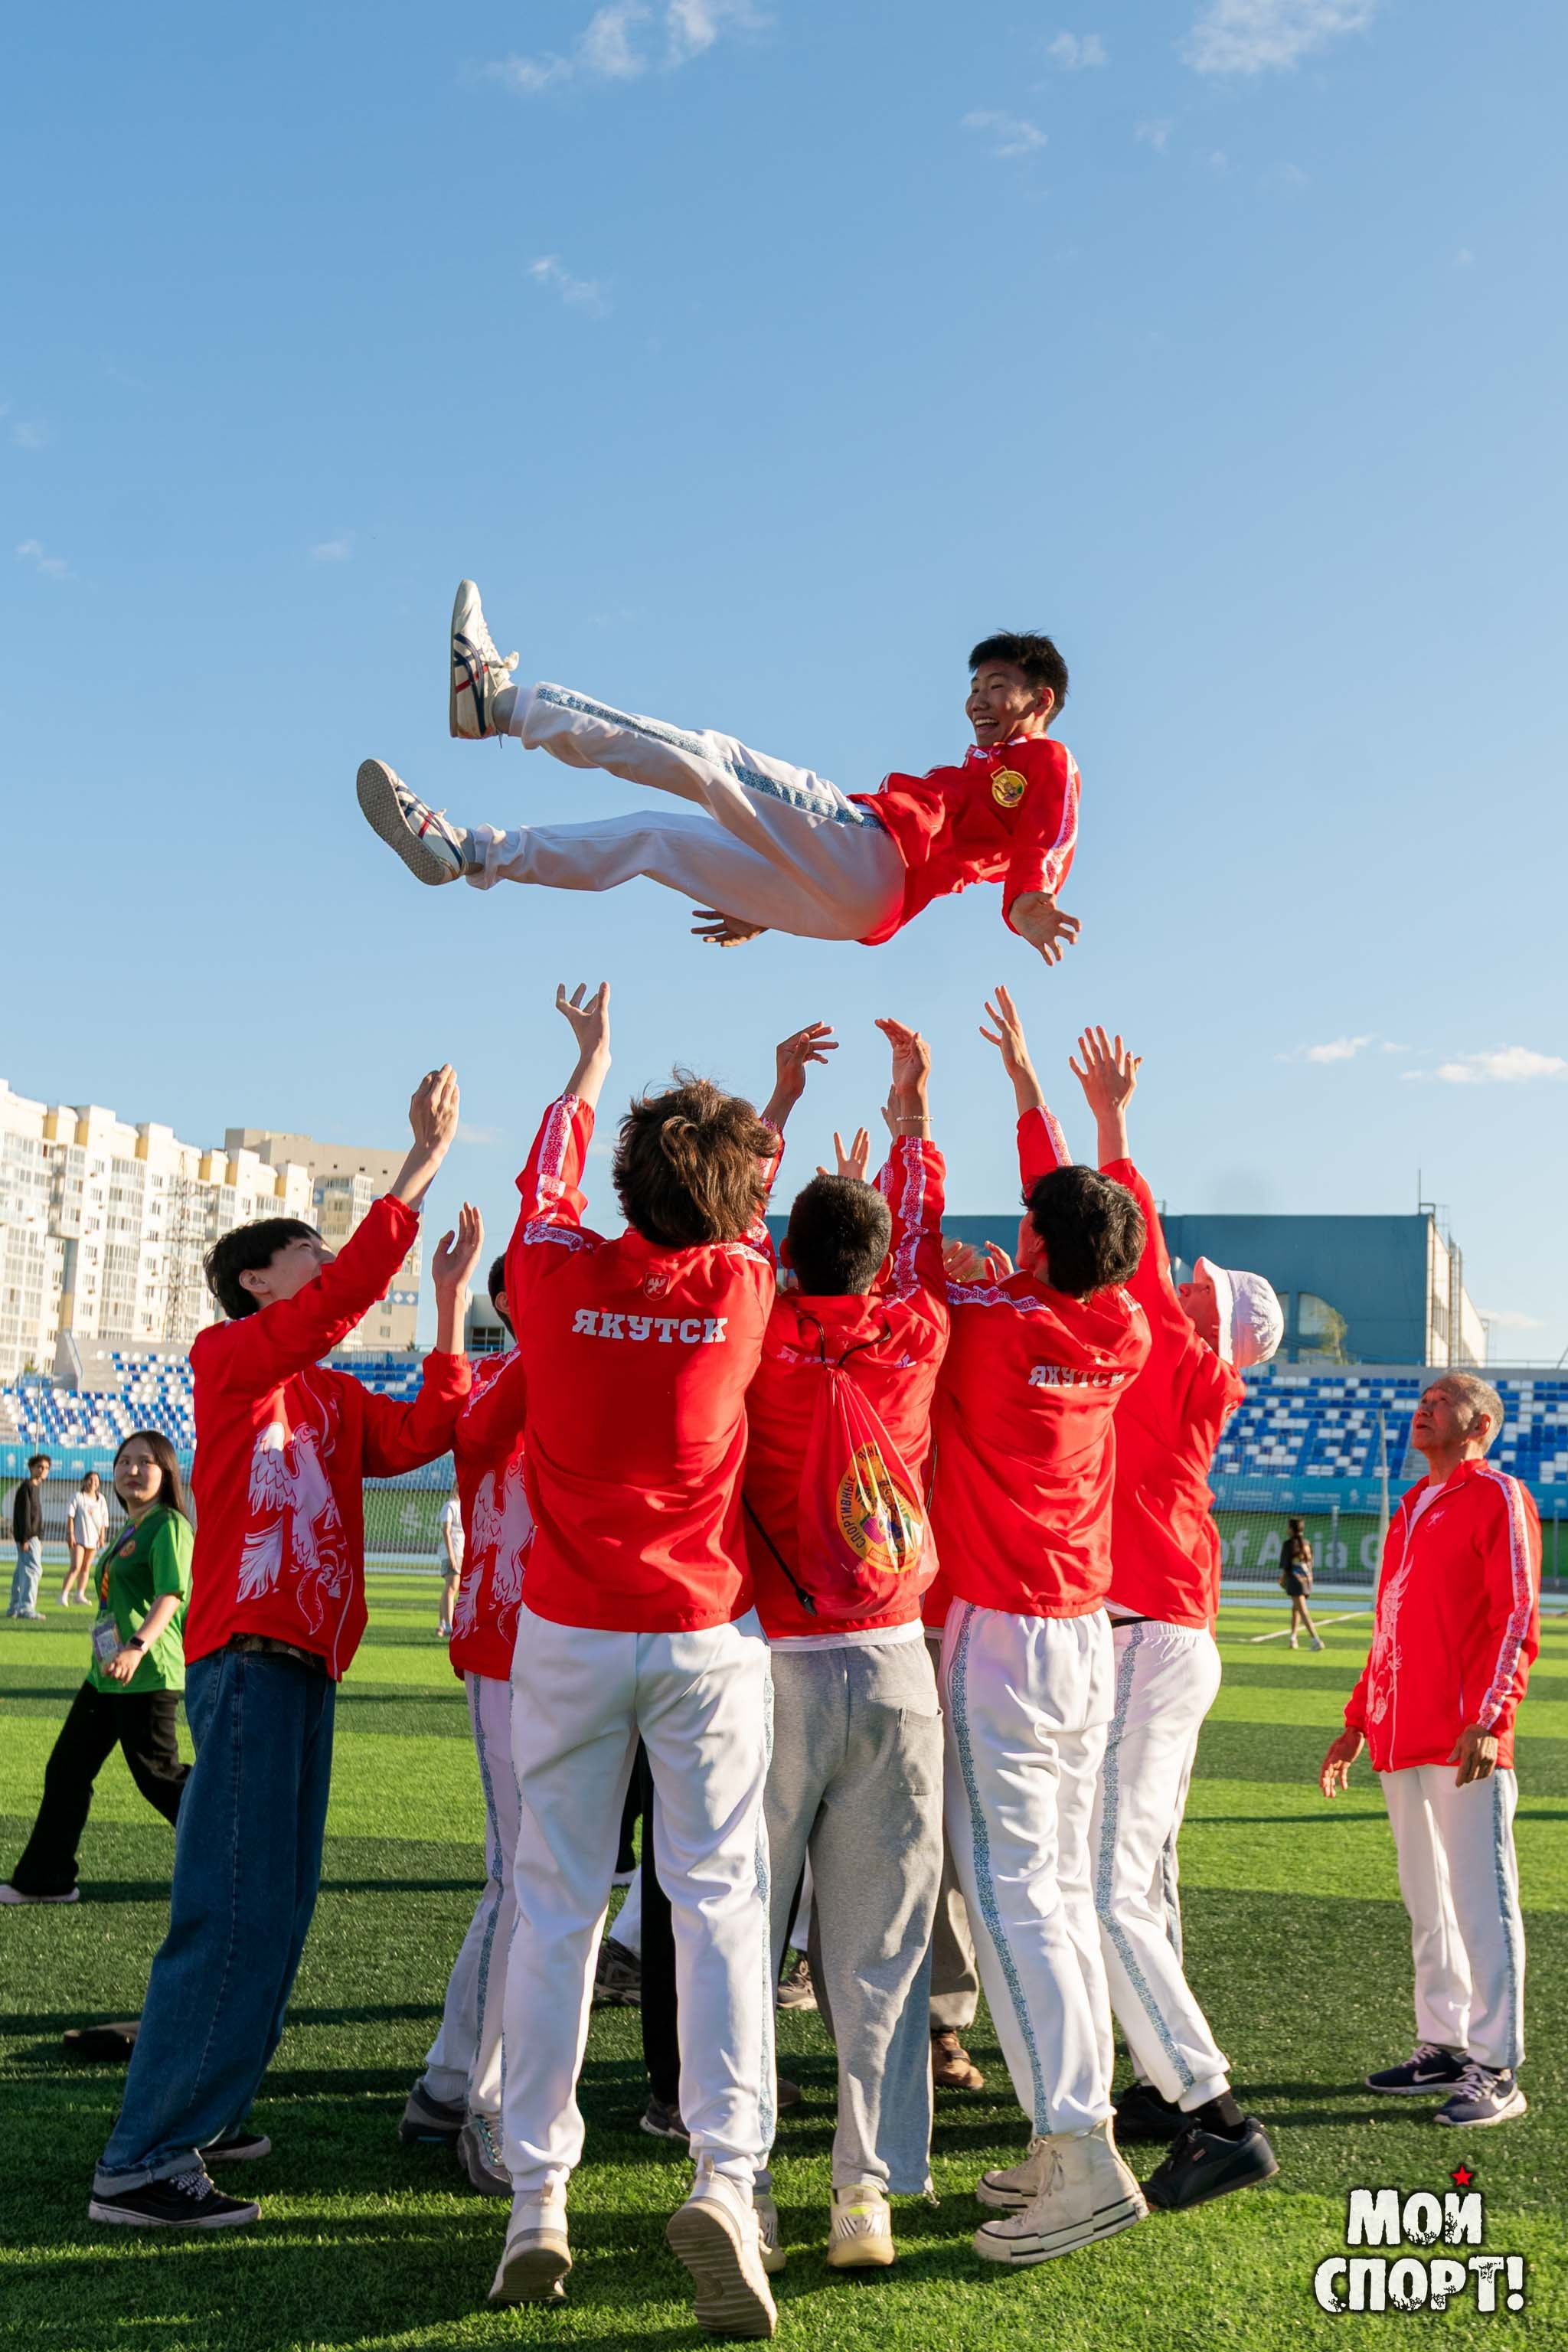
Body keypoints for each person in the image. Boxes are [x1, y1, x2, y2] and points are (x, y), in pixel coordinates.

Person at [88, 1069, 480, 2231]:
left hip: (305, 1666)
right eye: (308, 1249)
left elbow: (422, 1435)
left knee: (282, 1902)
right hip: (249, 1659)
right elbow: (336, 1306)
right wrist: (413, 1169)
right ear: (255, 1281)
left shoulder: (324, 1394)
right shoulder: (233, 1363)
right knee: (236, 1904)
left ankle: (206, 2112)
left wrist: (453, 1309)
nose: (326, 1263)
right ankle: (145, 2158)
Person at [486, 982, 782, 2339]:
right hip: (701, 1637)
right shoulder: (743, 1289)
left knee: (553, 1908)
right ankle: (727, 2176)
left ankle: (536, 2194)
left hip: (567, 1630)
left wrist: (589, 1060)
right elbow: (749, 1194)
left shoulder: (545, 1276)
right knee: (717, 1906)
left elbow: (543, 1172)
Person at [930, 990, 1152, 2268]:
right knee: (1057, 1893)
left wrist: (945, 1119)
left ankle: (1076, 2145)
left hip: (1003, 1636)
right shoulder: (1116, 1319)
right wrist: (1028, 1089)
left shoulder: (993, 1327)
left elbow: (910, 1266)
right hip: (1082, 1634)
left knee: (1012, 1901)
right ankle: (1068, 2130)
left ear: (1030, 1242)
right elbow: (1075, 1211)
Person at [1048, 1021, 1282, 2212]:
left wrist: (1111, 1128)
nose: (1183, 1282)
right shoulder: (1178, 1363)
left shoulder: (1194, 1369)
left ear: (1226, 1332)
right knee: (1124, 1874)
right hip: (1136, 1636)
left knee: (1104, 1881)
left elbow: (1136, 1256)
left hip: (1149, 1638)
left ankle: (1214, 2113)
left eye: (1204, 1292)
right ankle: (1153, 2081)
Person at [356, 583, 1083, 963]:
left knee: (713, 763)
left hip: (876, 851)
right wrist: (766, 897)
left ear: (1040, 700)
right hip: (854, 907)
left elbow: (1044, 838)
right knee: (654, 839)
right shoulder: (981, 768)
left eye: (997, 687)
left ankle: (503, 704)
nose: (979, 701)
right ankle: (471, 853)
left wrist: (1030, 903)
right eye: (976, 687)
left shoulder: (1042, 759)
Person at [744, 1017, 949, 2274]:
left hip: (767, 1661)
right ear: (877, 1264)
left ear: (785, 1253)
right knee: (877, 1949)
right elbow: (916, 1235)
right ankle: (862, 2192)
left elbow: (723, 1232)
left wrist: (774, 1100)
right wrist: (912, 1115)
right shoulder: (918, 1331)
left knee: (744, 1936)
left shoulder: (752, 1327)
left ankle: (745, 2182)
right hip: (893, 1659)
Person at [1320, 1373, 1540, 2129]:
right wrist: (1356, 1720)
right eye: (1423, 1398)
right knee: (1428, 1905)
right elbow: (1387, 1625)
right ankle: (1443, 2046)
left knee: (1481, 1902)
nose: (1424, 1406)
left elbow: (1515, 1614)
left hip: (1463, 1737)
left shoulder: (1497, 1496)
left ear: (1477, 1423)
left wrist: (1489, 1716)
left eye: (1441, 1400)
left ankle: (1496, 2064)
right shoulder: (1410, 1507)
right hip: (1397, 1735)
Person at [402, 1252, 536, 2195]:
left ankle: (453, 2082)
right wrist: (448, 1304)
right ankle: (480, 2099)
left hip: (570, 1654)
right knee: (522, 1881)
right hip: (508, 1651)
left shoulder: (590, 1372)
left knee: (534, 1883)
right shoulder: (506, 1387)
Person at [2, 1433, 192, 1906]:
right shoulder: (132, 1526)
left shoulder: (167, 1524)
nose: (131, 1470)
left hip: (145, 1671)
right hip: (106, 1675)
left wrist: (135, 1647)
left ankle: (245, 1855)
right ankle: (46, 1880)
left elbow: (172, 1593)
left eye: (144, 1462)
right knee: (67, 1769)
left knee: (160, 1778)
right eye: (123, 1461)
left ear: (166, 1472)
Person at [8, 1452, 51, 1620]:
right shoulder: (27, 1487)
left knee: (22, 1571)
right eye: (40, 1466)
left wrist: (38, 1538)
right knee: (33, 1571)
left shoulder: (34, 1487)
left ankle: (14, 1607)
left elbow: (35, 1516)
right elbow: (23, 1515)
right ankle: (26, 1607)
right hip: (28, 1538)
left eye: (46, 1468)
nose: (43, 1470)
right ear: (31, 1468)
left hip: (33, 1537)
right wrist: (24, 1538)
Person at [62, 1471, 110, 1608]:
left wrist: (102, 1537)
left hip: (93, 1539)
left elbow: (103, 1521)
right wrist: (70, 1534)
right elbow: (70, 1516)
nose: (93, 1482)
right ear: (85, 1481)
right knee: (76, 1566)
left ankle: (80, 1595)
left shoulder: (101, 1500)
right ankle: (64, 1595)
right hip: (79, 1538)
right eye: (90, 1479)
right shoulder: (78, 1497)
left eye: (96, 1480)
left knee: (86, 1568)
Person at [1280, 1517, 1321, 1649]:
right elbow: (1311, 1563)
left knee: (1303, 1611)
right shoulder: (1307, 1543)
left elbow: (1286, 1566)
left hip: (1295, 1580)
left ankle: (1316, 1640)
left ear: (1291, 1530)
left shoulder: (1289, 1544)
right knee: (1296, 1609)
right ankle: (1293, 1638)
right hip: (1307, 1579)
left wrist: (1283, 1579)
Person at [436, 1490, 463, 1638]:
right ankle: (448, 1626)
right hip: (452, 1552)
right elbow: (446, 1531)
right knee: (451, 1588)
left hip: (461, 1551)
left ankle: (443, 1624)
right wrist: (451, 1555)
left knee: (452, 1588)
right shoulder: (450, 1506)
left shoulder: (463, 1505)